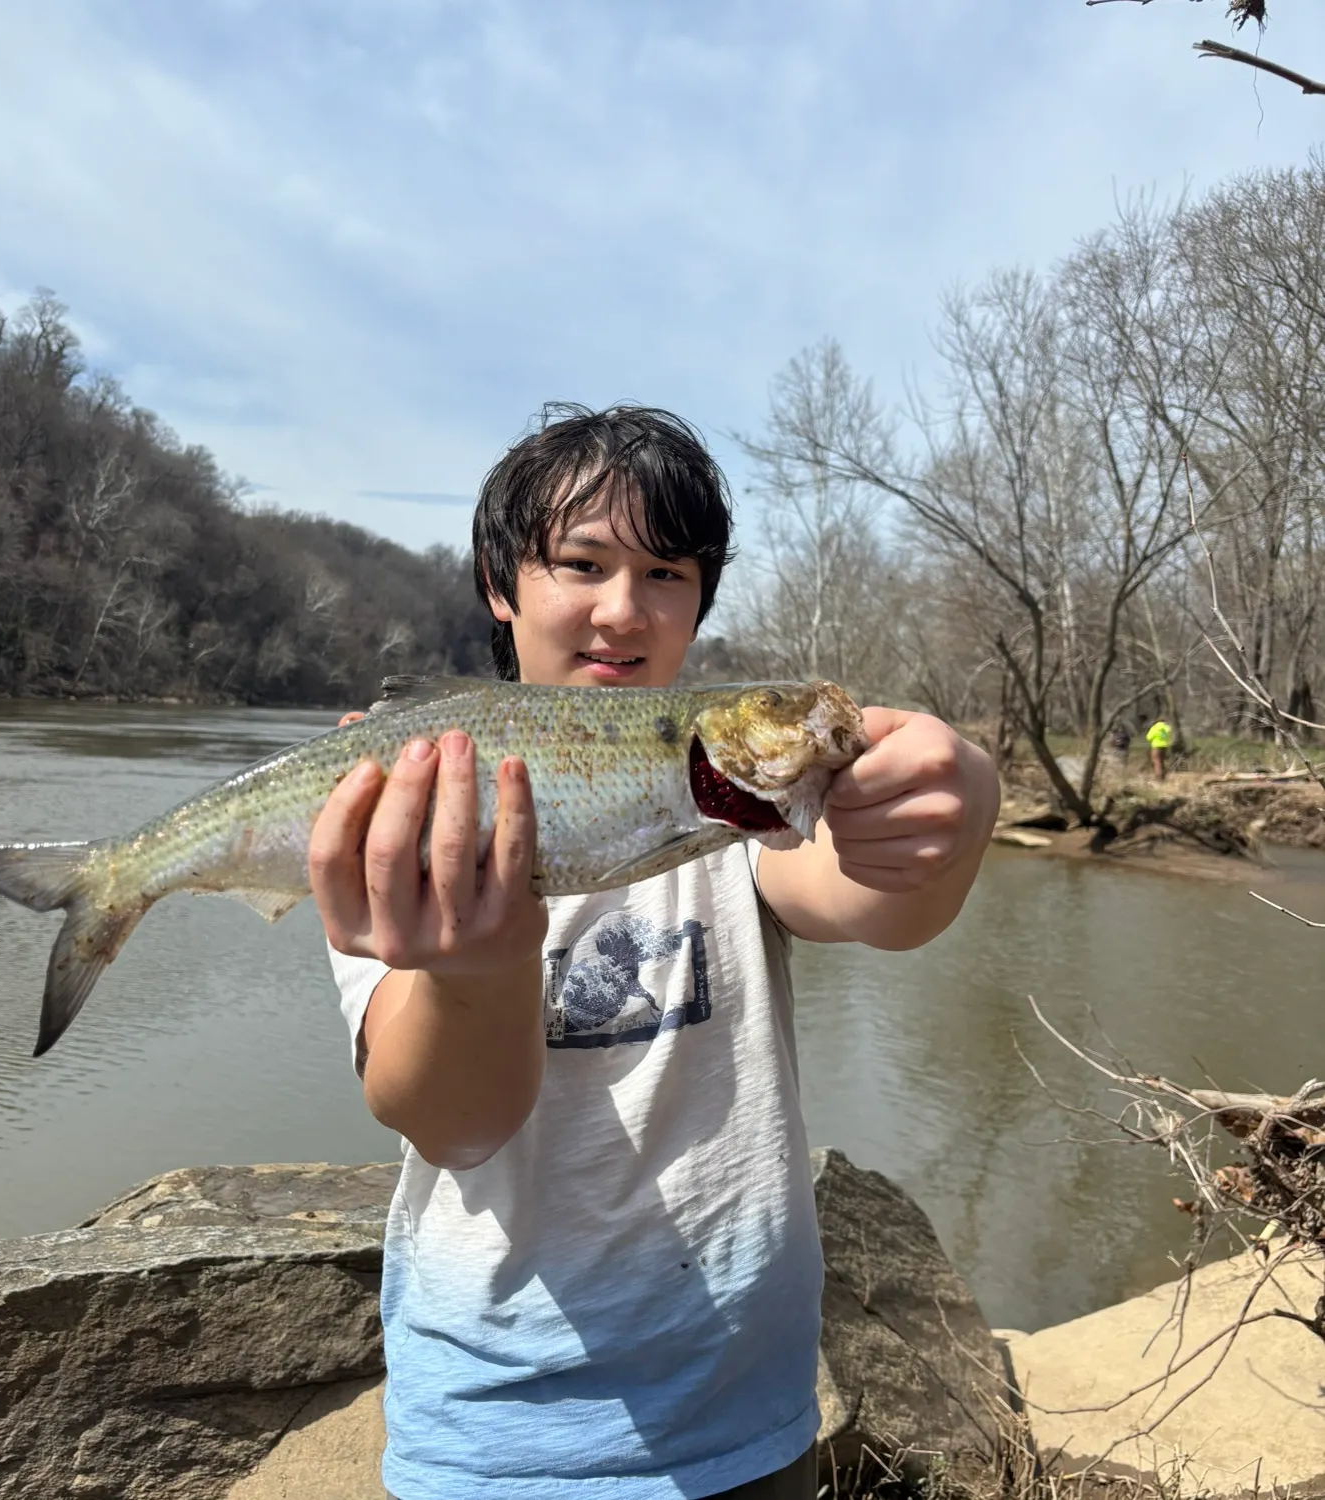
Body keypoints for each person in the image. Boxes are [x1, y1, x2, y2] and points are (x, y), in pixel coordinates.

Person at [308, 405, 1001, 1500]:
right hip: (493, 1436)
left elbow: (879, 905)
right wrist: (478, 970)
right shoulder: (412, 796)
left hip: (748, 1416)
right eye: (582, 563)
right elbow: (451, 1120)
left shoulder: (730, 811)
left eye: (667, 574)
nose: (623, 611)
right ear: (503, 581)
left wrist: (952, 813)